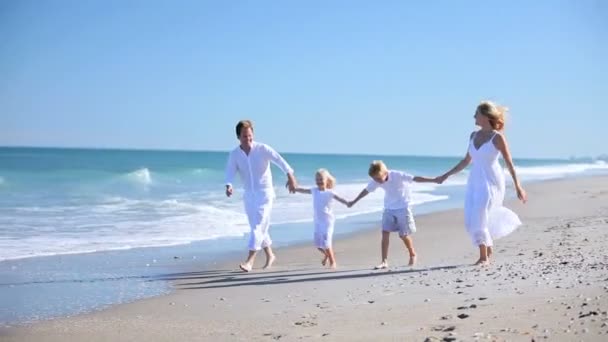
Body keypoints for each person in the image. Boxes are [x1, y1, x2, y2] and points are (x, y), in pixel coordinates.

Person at [437, 101, 527, 265]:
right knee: (472, 215)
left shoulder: (497, 138)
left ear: (485, 116)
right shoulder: (473, 136)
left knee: (480, 213)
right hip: (475, 180)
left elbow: (509, 163)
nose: (474, 117)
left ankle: (483, 256)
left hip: (492, 180)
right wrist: (446, 175)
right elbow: (466, 161)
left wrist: (518, 186)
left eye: (476, 114)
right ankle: (487, 245)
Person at [225, 120, 298, 272]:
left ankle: (249, 261)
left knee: (258, 226)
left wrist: (290, 176)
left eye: (250, 135)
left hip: (265, 194)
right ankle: (270, 255)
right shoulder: (235, 154)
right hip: (249, 195)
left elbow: (279, 160)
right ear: (238, 137)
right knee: (257, 227)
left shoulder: (262, 149)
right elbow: (230, 171)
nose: (248, 139)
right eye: (245, 136)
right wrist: (229, 184)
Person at [349, 160, 440, 269]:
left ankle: (412, 254)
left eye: (378, 178)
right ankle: (384, 261)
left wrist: (434, 180)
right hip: (389, 208)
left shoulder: (397, 175)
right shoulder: (376, 180)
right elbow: (366, 191)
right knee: (385, 232)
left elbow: (415, 178)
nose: (376, 181)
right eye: (374, 179)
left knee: (403, 235)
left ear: (385, 173)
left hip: (403, 207)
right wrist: (354, 201)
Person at [294, 168, 349, 269]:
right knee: (318, 245)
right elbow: (303, 190)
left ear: (327, 180)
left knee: (327, 243)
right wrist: (295, 188)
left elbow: (340, 199)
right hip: (318, 222)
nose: (319, 181)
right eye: (317, 179)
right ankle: (327, 255)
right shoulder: (314, 190)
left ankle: (333, 262)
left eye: (321, 179)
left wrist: (348, 203)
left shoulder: (330, 192)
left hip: (328, 222)